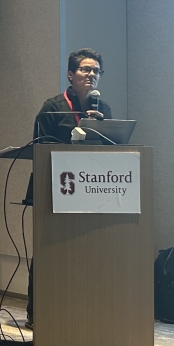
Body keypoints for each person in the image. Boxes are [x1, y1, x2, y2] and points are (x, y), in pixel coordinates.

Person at [24, 48, 113, 327]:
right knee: (50, 251)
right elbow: (38, 145)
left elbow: (113, 148)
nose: (92, 75)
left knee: (85, 251)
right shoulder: (52, 107)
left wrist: (102, 131)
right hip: (55, 188)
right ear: (70, 75)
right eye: (86, 69)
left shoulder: (103, 109)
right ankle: (36, 313)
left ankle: (80, 308)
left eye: (96, 71)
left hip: (91, 190)